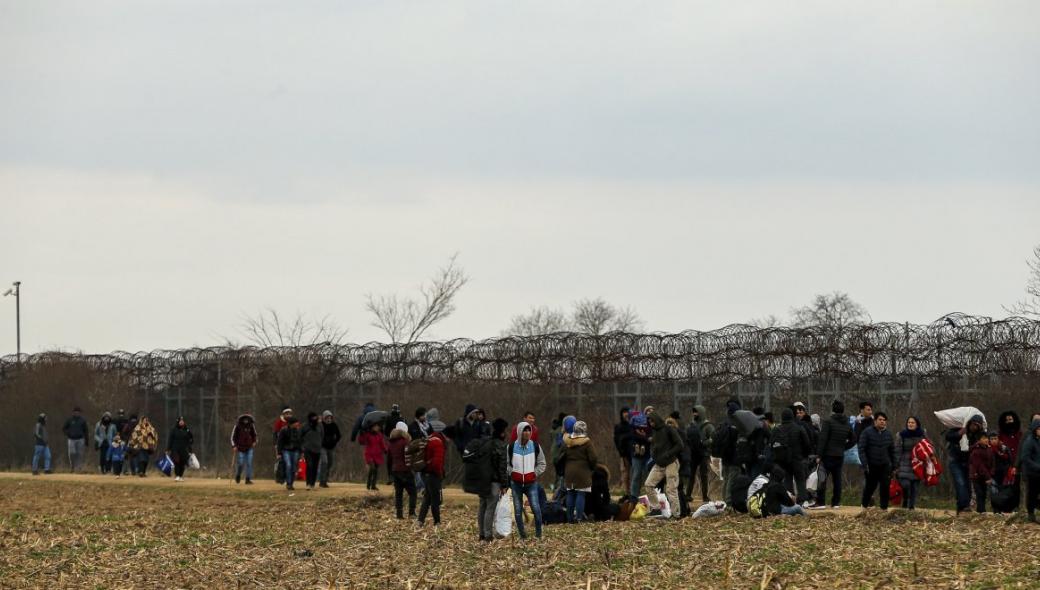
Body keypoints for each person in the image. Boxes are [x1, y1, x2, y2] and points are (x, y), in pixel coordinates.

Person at [507, 421, 546, 539]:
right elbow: (506, 464)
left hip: (531, 484)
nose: (528, 432)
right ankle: (523, 536)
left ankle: (539, 535)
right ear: (519, 432)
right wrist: (512, 473)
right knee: (518, 511)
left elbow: (542, 464)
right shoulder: (511, 447)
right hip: (516, 484)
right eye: (525, 430)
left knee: (536, 508)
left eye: (529, 430)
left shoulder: (535, 446)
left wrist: (534, 473)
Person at [644, 412, 683, 519]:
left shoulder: (669, 429)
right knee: (648, 485)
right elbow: (654, 446)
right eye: (649, 422)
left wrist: (668, 454)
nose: (651, 423)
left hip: (671, 463)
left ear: (656, 420)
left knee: (671, 489)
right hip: (659, 464)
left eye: (652, 421)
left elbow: (680, 445)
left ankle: (676, 515)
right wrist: (654, 455)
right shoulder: (654, 432)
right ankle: (656, 508)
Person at [815, 400, 854, 509]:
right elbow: (854, 439)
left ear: (833, 410)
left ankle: (821, 502)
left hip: (827, 455)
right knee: (837, 480)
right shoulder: (847, 423)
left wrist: (819, 455)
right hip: (839, 455)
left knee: (822, 478)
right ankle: (836, 502)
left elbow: (823, 439)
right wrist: (844, 447)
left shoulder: (828, 421)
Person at [769, 408, 812, 505]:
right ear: (792, 416)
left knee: (787, 479)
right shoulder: (799, 428)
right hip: (797, 458)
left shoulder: (777, 429)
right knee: (800, 479)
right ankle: (802, 500)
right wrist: (804, 455)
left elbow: (771, 444)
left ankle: (789, 500)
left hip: (783, 459)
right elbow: (807, 444)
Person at [476, 418, 509, 541]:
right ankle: (488, 535)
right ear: (502, 432)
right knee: (490, 507)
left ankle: (481, 534)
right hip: (494, 481)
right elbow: (502, 467)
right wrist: (504, 484)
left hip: (482, 480)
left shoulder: (484, 443)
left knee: (482, 506)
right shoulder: (501, 446)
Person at [946, 413, 985, 514]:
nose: (974, 427)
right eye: (973, 424)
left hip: (968, 462)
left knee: (967, 486)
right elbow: (948, 436)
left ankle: (961, 509)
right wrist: (959, 433)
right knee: (960, 483)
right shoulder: (960, 428)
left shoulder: (979, 435)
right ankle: (964, 507)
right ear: (970, 423)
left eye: (977, 425)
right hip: (955, 460)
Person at [858, 411, 897, 510]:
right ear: (875, 421)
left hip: (884, 465)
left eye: (884, 420)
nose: (882, 422)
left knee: (885, 486)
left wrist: (894, 466)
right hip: (871, 465)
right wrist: (864, 463)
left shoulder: (888, 434)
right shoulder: (867, 432)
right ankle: (864, 506)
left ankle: (884, 508)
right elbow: (861, 449)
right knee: (870, 487)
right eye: (880, 420)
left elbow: (892, 451)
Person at [562, 420, 598, 523]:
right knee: (580, 494)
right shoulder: (587, 442)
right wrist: (591, 467)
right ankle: (578, 518)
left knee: (570, 493)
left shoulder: (567, 441)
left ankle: (569, 518)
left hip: (569, 470)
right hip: (582, 471)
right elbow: (593, 458)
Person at [417, 422, 448, 529]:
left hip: (424, 473)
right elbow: (437, 463)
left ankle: (420, 521)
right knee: (435, 499)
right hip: (433, 475)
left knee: (428, 498)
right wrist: (439, 475)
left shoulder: (429, 439)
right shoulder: (438, 443)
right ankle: (437, 522)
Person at [713, 398, 743, 506]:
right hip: (734, 456)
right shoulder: (737, 422)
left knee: (726, 479)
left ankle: (724, 501)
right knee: (732, 479)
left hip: (724, 456)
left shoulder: (725, 422)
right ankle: (729, 502)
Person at [896, 416, 927, 510]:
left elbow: (928, 447)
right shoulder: (901, 435)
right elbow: (897, 450)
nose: (910, 424)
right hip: (904, 462)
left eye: (912, 422)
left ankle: (911, 507)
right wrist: (896, 464)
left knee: (914, 487)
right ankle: (905, 499)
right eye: (909, 422)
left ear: (917, 424)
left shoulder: (922, 434)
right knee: (906, 484)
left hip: (917, 463)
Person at [388, 421, 417, 519]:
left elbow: (389, 458)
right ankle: (411, 513)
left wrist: (390, 473)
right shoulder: (405, 442)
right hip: (405, 470)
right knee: (413, 493)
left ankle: (399, 514)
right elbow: (409, 457)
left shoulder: (391, 442)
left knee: (399, 494)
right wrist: (412, 468)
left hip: (395, 470)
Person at [691, 405, 715, 503]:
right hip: (693, 453)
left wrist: (704, 442)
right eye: (693, 412)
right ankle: (688, 495)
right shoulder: (692, 424)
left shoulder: (708, 425)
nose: (694, 414)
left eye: (696, 412)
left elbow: (713, 438)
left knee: (704, 475)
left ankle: (705, 496)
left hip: (704, 453)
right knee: (691, 475)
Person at [969, 431, 996, 513]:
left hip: (986, 476)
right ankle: (981, 511)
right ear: (979, 440)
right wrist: (987, 476)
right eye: (983, 438)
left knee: (984, 494)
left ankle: (981, 511)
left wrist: (991, 473)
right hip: (977, 476)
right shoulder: (976, 451)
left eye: (987, 438)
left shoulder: (989, 449)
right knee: (979, 493)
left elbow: (993, 462)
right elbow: (979, 465)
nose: (986, 440)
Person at [1019, 418, 1040, 523]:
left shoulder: (1038, 440)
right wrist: (1037, 467)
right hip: (1032, 473)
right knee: (1032, 494)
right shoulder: (1029, 441)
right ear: (1035, 429)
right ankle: (1031, 515)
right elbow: (1025, 458)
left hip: (1038, 473)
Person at [359, 422, 388, 491]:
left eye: (378, 427)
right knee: (372, 468)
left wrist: (385, 450)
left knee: (376, 471)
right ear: (372, 427)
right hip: (369, 455)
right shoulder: (368, 434)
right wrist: (361, 434)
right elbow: (362, 441)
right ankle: (368, 484)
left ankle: (373, 485)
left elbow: (382, 444)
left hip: (377, 455)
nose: (377, 428)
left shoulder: (379, 435)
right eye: (375, 427)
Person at [277, 417, 304, 491]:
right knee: (288, 465)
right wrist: (279, 453)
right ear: (292, 423)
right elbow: (280, 442)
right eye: (296, 422)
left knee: (294, 467)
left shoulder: (298, 431)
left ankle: (291, 483)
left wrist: (301, 452)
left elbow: (300, 442)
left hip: (295, 451)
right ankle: (288, 483)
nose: (298, 424)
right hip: (286, 450)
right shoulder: (284, 430)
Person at [629, 413, 651, 498]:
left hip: (648, 454)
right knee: (636, 475)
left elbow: (651, 439)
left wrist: (644, 437)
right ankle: (634, 496)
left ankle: (648, 496)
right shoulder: (634, 426)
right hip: (636, 455)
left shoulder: (652, 426)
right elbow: (631, 437)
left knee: (648, 476)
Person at [231, 413, 258, 484]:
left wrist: (255, 441)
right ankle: (238, 475)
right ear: (242, 419)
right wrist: (234, 446)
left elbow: (255, 435)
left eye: (247, 419)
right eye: (244, 419)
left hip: (249, 447)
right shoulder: (237, 426)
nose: (246, 420)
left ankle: (248, 479)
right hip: (240, 448)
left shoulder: (251, 426)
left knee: (249, 463)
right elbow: (232, 437)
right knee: (241, 463)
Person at [301, 412, 325, 491]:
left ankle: (312, 483)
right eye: (313, 417)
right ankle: (308, 483)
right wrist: (302, 447)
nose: (315, 419)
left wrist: (319, 444)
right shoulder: (305, 426)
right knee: (309, 465)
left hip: (317, 449)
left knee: (315, 467)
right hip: (307, 449)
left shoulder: (320, 426)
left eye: (315, 417)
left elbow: (322, 435)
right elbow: (300, 436)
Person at [318, 410, 341, 488]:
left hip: (331, 447)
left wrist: (334, 442)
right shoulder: (320, 425)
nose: (329, 419)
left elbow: (339, 435)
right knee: (324, 462)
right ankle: (322, 481)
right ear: (324, 418)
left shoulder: (334, 425)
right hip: (322, 447)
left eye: (330, 418)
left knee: (330, 463)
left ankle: (325, 480)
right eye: (327, 417)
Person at [167, 416, 194, 482]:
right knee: (177, 462)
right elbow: (170, 439)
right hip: (175, 449)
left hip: (184, 449)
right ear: (178, 422)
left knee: (183, 463)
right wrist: (168, 449)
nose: (182, 422)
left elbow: (190, 440)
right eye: (180, 421)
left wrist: (190, 449)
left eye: (183, 421)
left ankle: (181, 476)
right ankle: (177, 476)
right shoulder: (174, 430)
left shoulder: (186, 430)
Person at [613, 407, 633, 494]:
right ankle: (627, 492)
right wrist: (621, 452)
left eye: (627, 412)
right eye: (624, 412)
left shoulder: (633, 425)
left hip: (634, 453)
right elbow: (616, 440)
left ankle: (634, 491)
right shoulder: (618, 427)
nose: (626, 414)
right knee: (625, 474)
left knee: (635, 473)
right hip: (624, 454)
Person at [63, 407, 89, 473]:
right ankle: (72, 466)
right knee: (72, 453)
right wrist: (68, 433)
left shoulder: (82, 420)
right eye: (75, 412)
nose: (76, 413)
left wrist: (87, 441)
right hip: (71, 439)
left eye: (78, 412)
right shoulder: (69, 420)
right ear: (73, 412)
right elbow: (64, 428)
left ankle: (78, 468)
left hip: (80, 439)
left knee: (80, 454)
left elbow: (86, 431)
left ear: (80, 413)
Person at [272, 407, 293, 484]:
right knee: (281, 461)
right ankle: (279, 476)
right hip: (280, 445)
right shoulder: (279, 422)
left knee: (289, 462)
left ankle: (288, 478)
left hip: (291, 445)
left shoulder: (293, 422)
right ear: (283, 414)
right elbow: (275, 433)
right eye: (286, 413)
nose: (288, 415)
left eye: (289, 413)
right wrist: (275, 444)